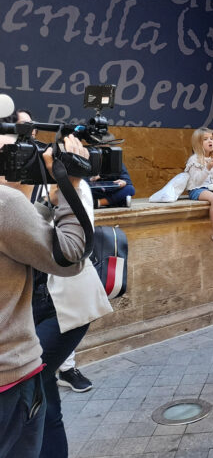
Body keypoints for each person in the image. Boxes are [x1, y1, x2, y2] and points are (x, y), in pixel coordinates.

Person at [0, 109, 89, 458]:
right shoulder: (5, 205)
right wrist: (70, 185)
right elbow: (69, 256)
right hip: (10, 377)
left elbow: (17, 238)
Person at [32, 181, 112, 458]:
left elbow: (75, 247)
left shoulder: (62, 182)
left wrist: (66, 189)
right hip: (26, 306)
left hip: (61, 300)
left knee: (35, 376)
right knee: (41, 391)